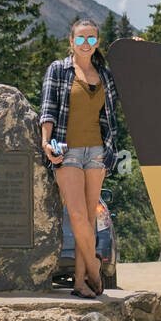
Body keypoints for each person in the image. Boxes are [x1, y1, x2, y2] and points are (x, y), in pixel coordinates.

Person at [39, 18, 124, 298]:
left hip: (97, 152)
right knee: (76, 214)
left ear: (97, 43)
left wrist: (137, 50)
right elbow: (48, 109)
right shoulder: (59, 70)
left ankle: (79, 282)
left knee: (87, 218)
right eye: (80, 38)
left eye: (91, 39)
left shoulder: (106, 74)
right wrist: (45, 140)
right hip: (67, 150)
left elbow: (130, 85)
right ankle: (94, 269)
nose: (85, 43)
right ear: (71, 41)